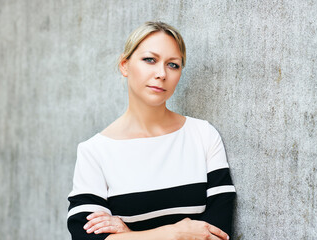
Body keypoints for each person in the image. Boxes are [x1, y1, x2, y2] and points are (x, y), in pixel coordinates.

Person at [67, 21, 236, 240]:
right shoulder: (95, 152)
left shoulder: (203, 135)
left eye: (173, 65)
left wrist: (130, 235)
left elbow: (218, 234)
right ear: (124, 65)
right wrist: (174, 233)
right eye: (150, 60)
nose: (161, 73)